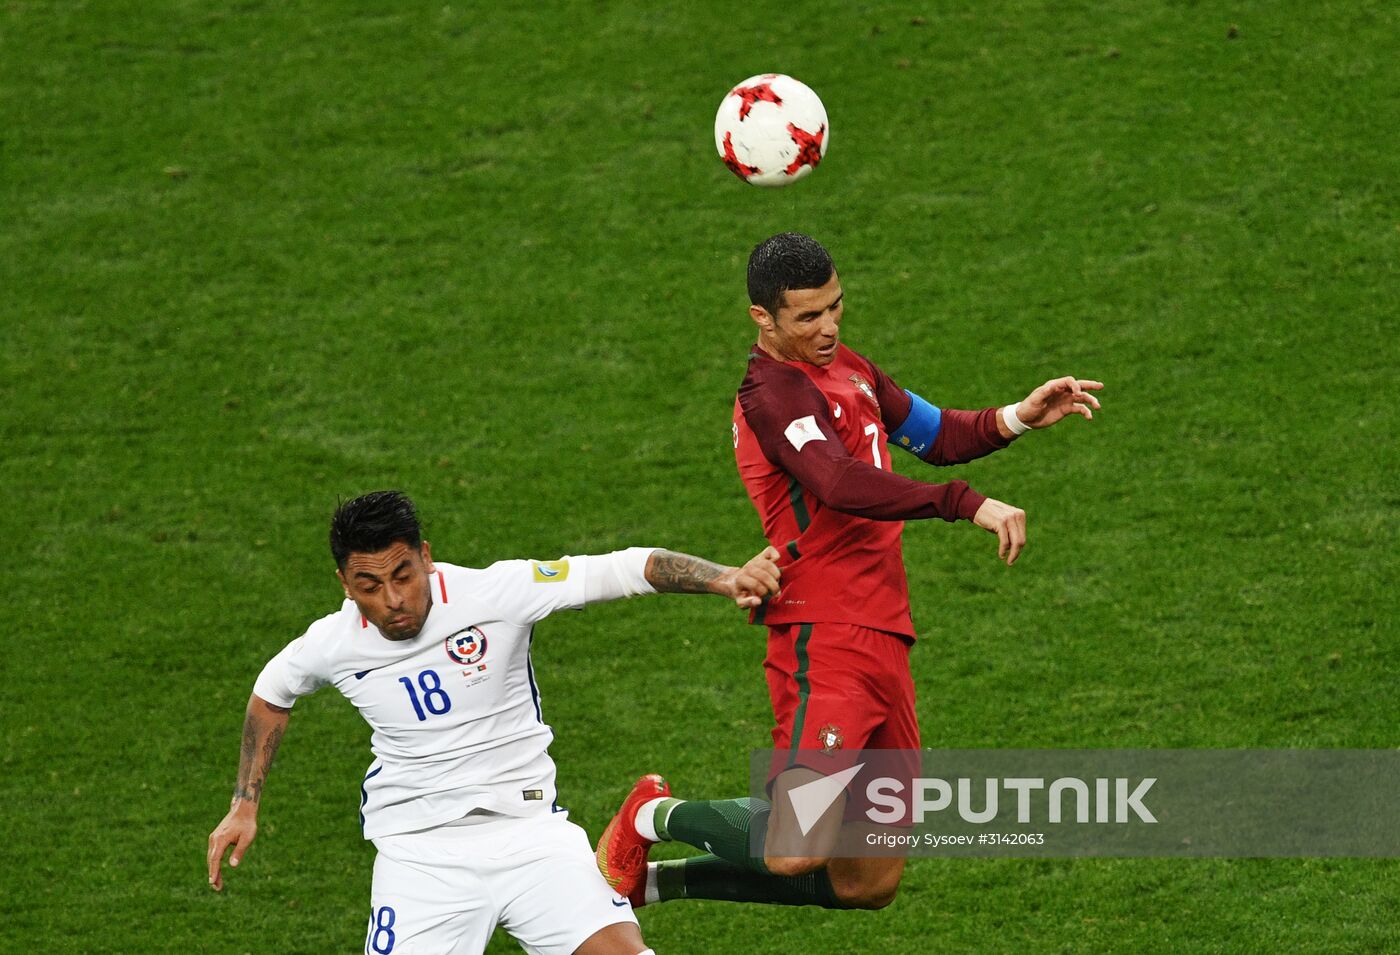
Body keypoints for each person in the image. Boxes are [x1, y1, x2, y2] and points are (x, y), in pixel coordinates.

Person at [596, 232, 1103, 911]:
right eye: (808, 316)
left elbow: (935, 434)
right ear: (762, 318)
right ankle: (649, 815)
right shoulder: (772, 394)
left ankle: (655, 884)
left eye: (835, 306)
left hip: (886, 633)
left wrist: (1018, 417)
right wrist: (962, 503)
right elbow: (836, 481)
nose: (829, 327)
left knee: (866, 880)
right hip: (825, 633)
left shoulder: (851, 369)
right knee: (794, 844)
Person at [206, 490, 781, 955]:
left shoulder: (495, 592)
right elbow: (271, 694)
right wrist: (244, 803)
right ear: (344, 584)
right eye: (369, 587)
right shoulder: (331, 643)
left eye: (403, 575)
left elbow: (626, 568)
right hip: (419, 855)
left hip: (531, 835)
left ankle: (648, 824)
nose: (393, 599)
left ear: (425, 556)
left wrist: (725, 577)